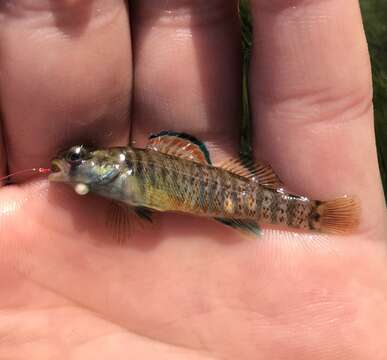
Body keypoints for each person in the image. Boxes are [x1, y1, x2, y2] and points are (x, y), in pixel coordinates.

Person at [0, 1, 386, 358]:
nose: (72, 165)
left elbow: (137, 206)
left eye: (78, 159)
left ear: (107, 164)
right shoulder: (116, 180)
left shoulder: (123, 174)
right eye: (74, 160)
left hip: (224, 195)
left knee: (248, 205)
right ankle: (314, 217)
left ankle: (315, 216)